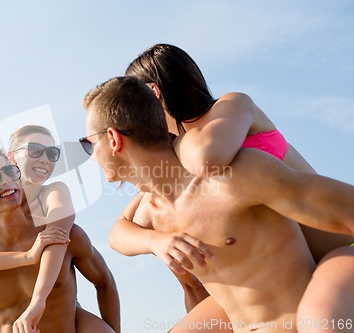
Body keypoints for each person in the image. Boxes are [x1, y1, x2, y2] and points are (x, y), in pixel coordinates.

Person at [80, 75, 354, 333]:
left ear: (114, 140)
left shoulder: (234, 178)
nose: (91, 157)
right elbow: (117, 238)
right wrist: (155, 242)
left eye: (89, 144)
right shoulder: (151, 214)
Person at [0, 145, 119, 333]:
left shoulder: (60, 237)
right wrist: (28, 256)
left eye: (9, 171)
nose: (5, 180)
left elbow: (105, 281)